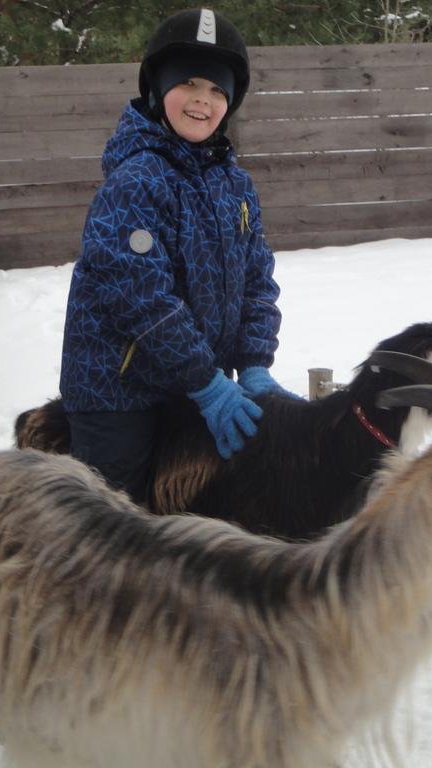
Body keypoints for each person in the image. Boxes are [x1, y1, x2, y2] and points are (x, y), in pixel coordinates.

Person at [59, 8, 295, 503]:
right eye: (188, 83)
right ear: (157, 89)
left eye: (216, 90)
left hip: (198, 386)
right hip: (118, 396)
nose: (202, 101)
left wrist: (253, 364)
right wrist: (206, 384)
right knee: (119, 529)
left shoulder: (236, 184)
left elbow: (258, 278)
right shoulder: (136, 179)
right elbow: (139, 296)